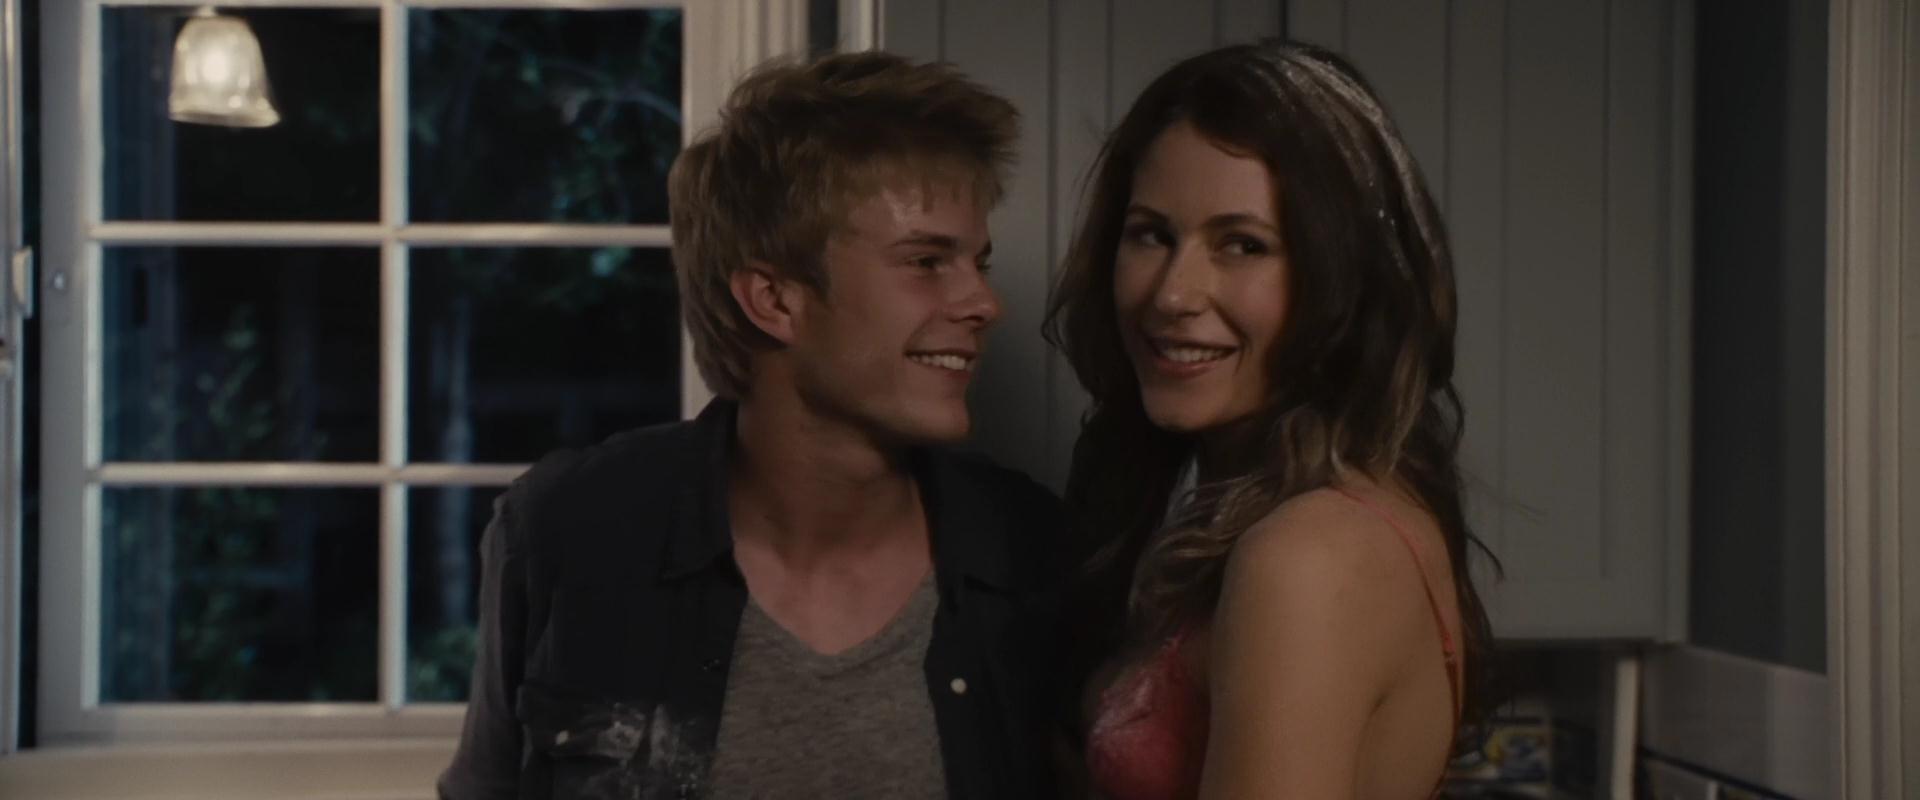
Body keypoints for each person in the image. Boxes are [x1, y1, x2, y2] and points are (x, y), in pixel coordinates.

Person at [439, 50, 1064, 800]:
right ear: (773, 299)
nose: (984, 303)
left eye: (978, 263)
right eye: (927, 261)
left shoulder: (1032, 552)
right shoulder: (567, 528)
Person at [1046, 40, 1497, 799]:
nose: (1172, 294)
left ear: (1344, 278)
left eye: (1243, 245)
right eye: (1152, 234)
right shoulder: (1254, 508)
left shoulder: (1308, 557)